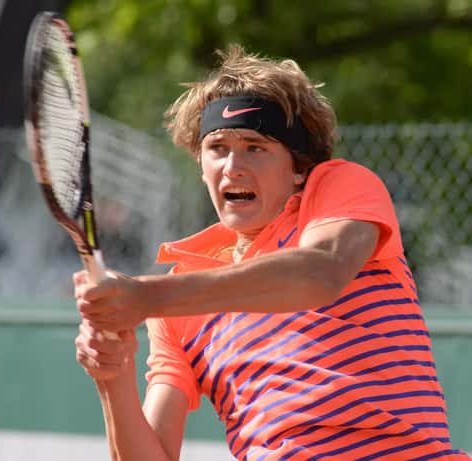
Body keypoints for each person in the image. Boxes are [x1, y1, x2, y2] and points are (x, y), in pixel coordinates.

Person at [73, 45, 469, 461]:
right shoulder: (176, 304)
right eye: (218, 148)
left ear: (298, 166)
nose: (232, 166)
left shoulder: (340, 189)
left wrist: (147, 298)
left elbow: (320, 273)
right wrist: (112, 377)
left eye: (255, 147)